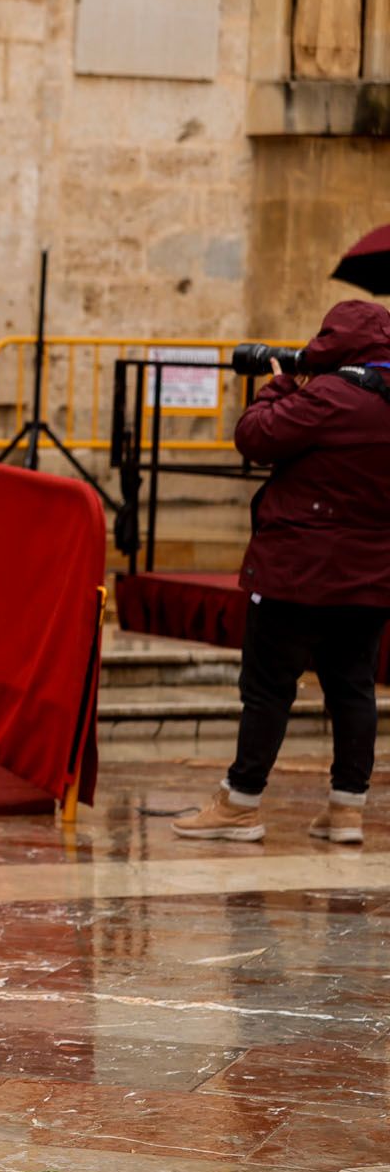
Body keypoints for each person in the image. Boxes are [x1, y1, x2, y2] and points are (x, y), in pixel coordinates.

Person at [175, 300, 390, 845]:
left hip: (296, 570)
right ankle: (346, 809)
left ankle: (241, 803)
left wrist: (278, 386)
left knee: (268, 688)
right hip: (370, 576)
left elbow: (255, 438)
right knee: (353, 688)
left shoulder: (328, 397)